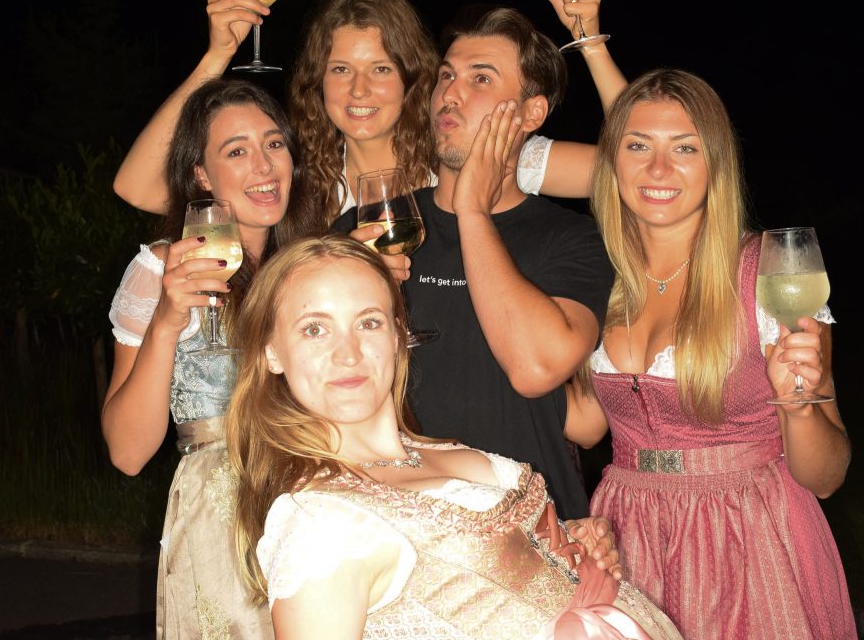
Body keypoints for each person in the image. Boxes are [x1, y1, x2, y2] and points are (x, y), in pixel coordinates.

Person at [225, 234, 683, 640]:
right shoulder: (321, 522)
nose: (348, 353)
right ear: (271, 353)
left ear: (398, 334)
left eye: (368, 322)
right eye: (314, 329)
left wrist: (575, 549)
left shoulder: (439, 451)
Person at [561, 68, 857, 639]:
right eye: (638, 146)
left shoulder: (768, 273)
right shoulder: (595, 275)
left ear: (716, 163)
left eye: (685, 148)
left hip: (750, 541)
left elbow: (826, 476)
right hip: (626, 542)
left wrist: (798, 406)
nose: (658, 169)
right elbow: (586, 426)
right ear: (612, 163)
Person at [340, 4, 616, 520]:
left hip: (536, 528)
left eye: (480, 78)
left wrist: (471, 209)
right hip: (396, 525)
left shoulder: (572, 240)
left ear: (531, 114)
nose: (451, 93)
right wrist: (342, 286)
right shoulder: (370, 232)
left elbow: (537, 368)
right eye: (446, 75)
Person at [111, 0, 625, 226]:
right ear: (318, 82)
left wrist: (591, 43)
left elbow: (635, 169)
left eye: (380, 69)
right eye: (340, 69)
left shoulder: (466, 155)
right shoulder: (298, 179)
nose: (359, 90)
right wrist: (217, 55)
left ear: (412, 77)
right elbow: (139, 188)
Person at [102, 78, 319, 639]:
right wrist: (167, 323)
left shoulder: (311, 268)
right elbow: (127, 452)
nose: (264, 166)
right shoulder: (163, 270)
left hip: (318, 508)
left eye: (274, 144)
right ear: (201, 175)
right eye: (236, 152)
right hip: (225, 525)